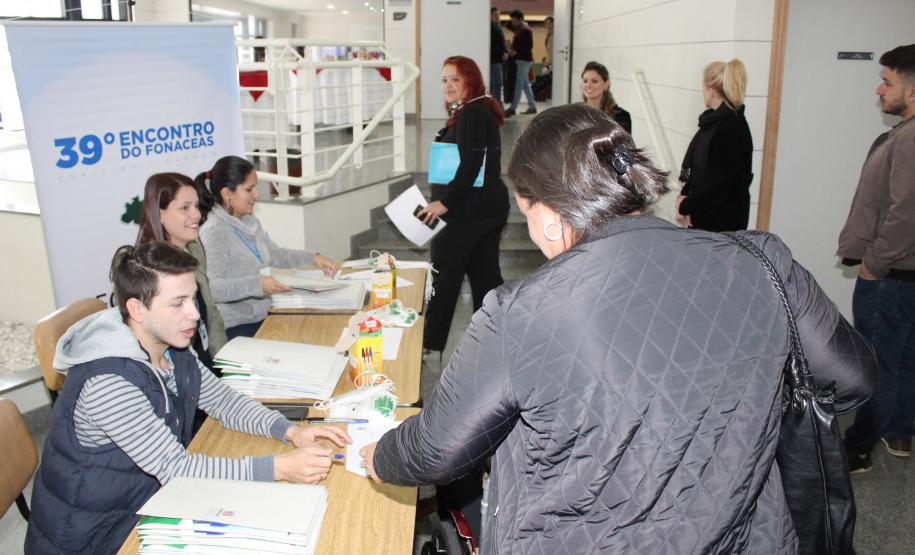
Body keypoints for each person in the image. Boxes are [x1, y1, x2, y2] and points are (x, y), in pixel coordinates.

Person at [361, 105, 876, 553]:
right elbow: (852, 379)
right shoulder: (764, 261)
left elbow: (437, 449)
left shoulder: (521, 310)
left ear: (545, 214)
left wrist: (379, 454)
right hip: (743, 535)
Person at [25, 242, 351, 554]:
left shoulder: (169, 344)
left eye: (193, 299)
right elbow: (175, 468)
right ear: (137, 309)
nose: (194, 314)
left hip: (142, 500)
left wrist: (290, 431)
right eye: (177, 303)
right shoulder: (108, 384)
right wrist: (278, 468)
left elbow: (223, 400)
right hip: (94, 535)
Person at [839, 43, 915, 472]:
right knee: (904, 356)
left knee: (878, 361)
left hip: (891, 275)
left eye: (887, 82)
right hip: (906, 274)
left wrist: (876, 263)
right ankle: (899, 428)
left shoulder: (908, 139)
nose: (879, 90)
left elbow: (907, 213)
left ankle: (860, 445)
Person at [416, 56, 509, 355]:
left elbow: (471, 164)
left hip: (467, 212)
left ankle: (429, 344)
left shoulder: (472, 113)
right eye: (444, 79)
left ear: (470, 80)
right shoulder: (477, 111)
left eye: (455, 79)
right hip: (484, 209)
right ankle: (495, 340)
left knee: (444, 276)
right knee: (485, 278)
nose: (448, 85)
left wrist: (444, 202)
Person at [197, 155, 341, 339]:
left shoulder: (249, 219)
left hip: (265, 313)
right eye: (249, 189)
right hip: (239, 326)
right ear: (227, 193)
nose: (256, 194)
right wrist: (257, 284)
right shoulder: (215, 231)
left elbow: (275, 255)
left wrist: (314, 257)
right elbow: (214, 289)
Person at [135, 172, 226, 368]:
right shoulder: (145, 269)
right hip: (180, 369)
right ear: (159, 214)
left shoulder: (194, 248)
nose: (197, 215)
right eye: (185, 208)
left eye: (196, 206)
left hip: (207, 360)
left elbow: (211, 311)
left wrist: (226, 364)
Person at [676, 59, 753, 232]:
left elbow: (718, 185)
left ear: (710, 89)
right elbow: (700, 170)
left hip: (721, 224)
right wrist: (685, 197)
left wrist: (685, 206)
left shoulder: (731, 127)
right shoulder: (713, 122)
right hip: (706, 218)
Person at [580, 60, 631, 134]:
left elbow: (624, 145)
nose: (588, 85)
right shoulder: (574, 114)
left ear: (606, 84)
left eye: (594, 81)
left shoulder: (622, 116)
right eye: (585, 81)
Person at [504, 9, 537, 117]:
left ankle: (513, 108)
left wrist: (515, 51)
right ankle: (532, 106)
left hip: (523, 60)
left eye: (515, 21)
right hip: (522, 60)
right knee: (524, 85)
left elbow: (528, 47)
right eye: (512, 21)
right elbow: (508, 25)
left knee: (519, 84)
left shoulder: (525, 30)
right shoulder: (520, 29)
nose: (513, 23)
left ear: (521, 19)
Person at [489, 8, 507, 102]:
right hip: (494, 60)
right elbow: (494, 44)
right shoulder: (491, 27)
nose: (497, 16)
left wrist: (504, 51)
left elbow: (500, 43)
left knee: (495, 84)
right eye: (495, 14)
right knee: (497, 84)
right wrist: (502, 52)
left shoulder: (496, 26)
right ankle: (496, 106)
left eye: (498, 14)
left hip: (497, 60)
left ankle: (495, 105)